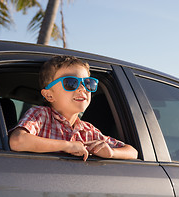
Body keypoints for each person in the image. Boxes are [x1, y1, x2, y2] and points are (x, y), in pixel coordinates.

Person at [9, 55, 138, 161]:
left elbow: (133, 152)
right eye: (71, 83)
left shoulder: (88, 130)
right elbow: (17, 140)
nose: (82, 88)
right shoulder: (41, 115)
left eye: (88, 83)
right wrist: (67, 146)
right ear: (49, 95)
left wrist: (111, 153)